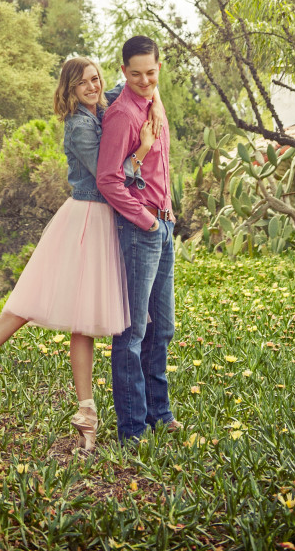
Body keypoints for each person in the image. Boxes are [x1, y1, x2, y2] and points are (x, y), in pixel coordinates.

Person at [0, 56, 163, 453]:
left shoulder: (102, 105)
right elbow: (112, 176)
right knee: (29, 303)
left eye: (94, 79)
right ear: (69, 90)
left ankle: (86, 415)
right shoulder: (78, 126)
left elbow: (140, 88)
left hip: (106, 221)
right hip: (88, 218)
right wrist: (141, 149)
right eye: (82, 83)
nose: (91, 87)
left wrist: (150, 97)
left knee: (82, 320)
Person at [96, 35, 180, 443]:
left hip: (164, 227)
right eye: (136, 74)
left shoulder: (153, 101)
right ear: (123, 71)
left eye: (151, 72)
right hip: (139, 230)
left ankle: (160, 415)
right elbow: (109, 179)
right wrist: (146, 220)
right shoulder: (122, 116)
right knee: (132, 333)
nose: (145, 80)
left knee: (161, 328)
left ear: (158, 67)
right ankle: (132, 430)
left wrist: (167, 212)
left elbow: (160, 164)